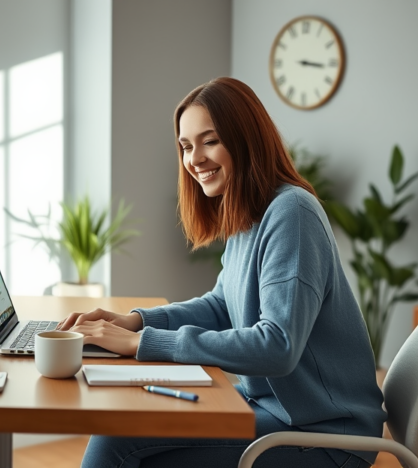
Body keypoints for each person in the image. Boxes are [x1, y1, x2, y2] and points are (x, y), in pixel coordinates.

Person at [58, 77, 386, 468]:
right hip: (276, 411)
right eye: (185, 146)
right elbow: (221, 306)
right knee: (122, 432)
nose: (194, 159)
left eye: (209, 141)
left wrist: (144, 342)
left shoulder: (292, 212)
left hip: (327, 435)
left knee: (118, 443)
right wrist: (135, 322)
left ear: (247, 139)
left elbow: (277, 346)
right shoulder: (250, 213)